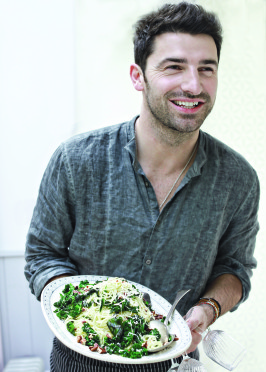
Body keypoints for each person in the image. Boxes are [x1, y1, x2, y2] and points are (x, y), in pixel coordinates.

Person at [24, 2, 260, 372]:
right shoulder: (75, 160)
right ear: (138, 76)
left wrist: (209, 308)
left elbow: (235, 268)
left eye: (206, 69)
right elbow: (42, 255)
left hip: (174, 362)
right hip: (79, 363)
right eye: (174, 67)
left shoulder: (239, 180)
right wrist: (88, 310)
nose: (193, 85)